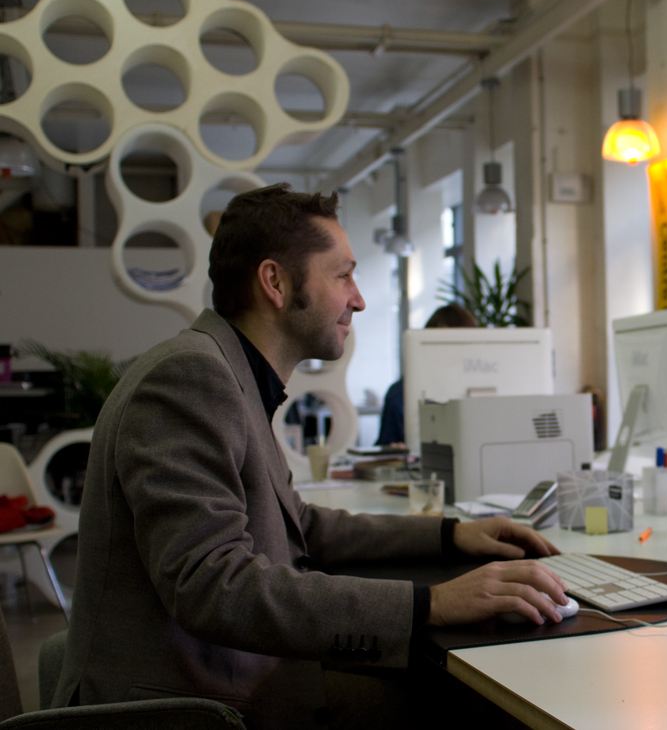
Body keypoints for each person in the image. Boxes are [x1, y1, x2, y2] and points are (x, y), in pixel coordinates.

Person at [52, 185, 569, 729]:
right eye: (343, 275)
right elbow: (211, 585)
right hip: (187, 706)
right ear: (274, 282)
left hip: (230, 676)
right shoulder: (191, 378)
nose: (359, 299)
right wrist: (429, 605)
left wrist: (449, 535)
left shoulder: (231, 374)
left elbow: (297, 524)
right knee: (463, 702)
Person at [375, 303, 477, 447]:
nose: (449, 352)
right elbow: (385, 447)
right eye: (442, 344)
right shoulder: (399, 393)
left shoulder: (478, 388)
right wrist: (392, 450)